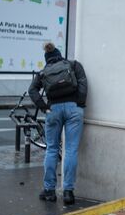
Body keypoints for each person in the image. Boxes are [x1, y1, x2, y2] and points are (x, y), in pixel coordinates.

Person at [28, 42, 87, 205]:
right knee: (70, 149)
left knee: (52, 149)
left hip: (53, 110)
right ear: (60, 55)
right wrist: (79, 104)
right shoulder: (74, 65)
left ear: (47, 59)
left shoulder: (43, 72)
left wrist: (43, 107)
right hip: (74, 108)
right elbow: (83, 84)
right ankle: (68, 192)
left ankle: (49, 190)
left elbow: (32, 90)